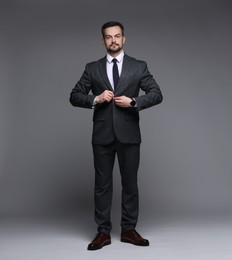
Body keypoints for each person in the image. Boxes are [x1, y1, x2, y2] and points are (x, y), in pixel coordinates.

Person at [69, 21, 163, 250]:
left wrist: (134, 102)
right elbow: (74, 96)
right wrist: (96, 99)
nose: (113, 40)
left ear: (124, 39)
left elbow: (156, 94)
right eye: (109, 37)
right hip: (102, 134)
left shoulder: (138, 66)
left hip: (129, 133)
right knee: (102, 185)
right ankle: (103, 232)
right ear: (103, 41)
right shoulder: (92, 68)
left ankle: (129, 230)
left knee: (130, 183)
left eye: (117, 36)